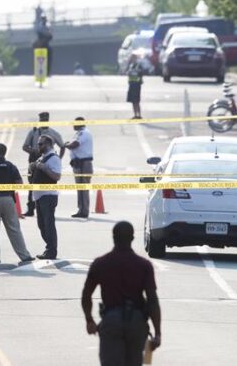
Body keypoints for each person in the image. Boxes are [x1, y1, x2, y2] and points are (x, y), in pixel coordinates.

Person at [81, 221, 162, 366]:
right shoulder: (143, 265)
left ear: (113, 238)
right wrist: (157, 333)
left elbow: (86, 295)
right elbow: (152, 300)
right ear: (132, 238)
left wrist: (89, 320)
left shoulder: (101, 263)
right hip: (136, 322)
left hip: (111, 321)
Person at [22, 112, 65, 216]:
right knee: (33, 183)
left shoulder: (53, 133)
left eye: (45, 120)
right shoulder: (33, 132)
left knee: (48, 182)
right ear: (39, 120)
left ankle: (47, 207)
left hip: (48, 159)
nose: (43, 121)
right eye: (42, 120)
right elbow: (25, 146)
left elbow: (62, 146)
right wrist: (33, 151)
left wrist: (58, 158)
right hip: (35, 159)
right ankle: (31, 208)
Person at [30, 135, 62, 259]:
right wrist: (33, 167)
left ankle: (51, 251)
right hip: (39, 196)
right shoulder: (43, 157)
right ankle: (49, 248)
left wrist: (43, 168)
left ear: (48, 144)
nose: (38, 146)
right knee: (41, 225)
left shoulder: (53, 158)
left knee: (48, 224)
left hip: (48, 195)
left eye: (40, 144)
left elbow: (57, 176)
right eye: (38, 144)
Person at [65, 117, 93, 218]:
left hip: (83, 164)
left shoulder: (84, 133)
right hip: (79, 163)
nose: (73, 125)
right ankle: (81, 209)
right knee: (80, 188)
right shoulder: (79, 133)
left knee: (83, 188)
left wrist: (67, 145)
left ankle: (84, 211)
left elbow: (75, 144)